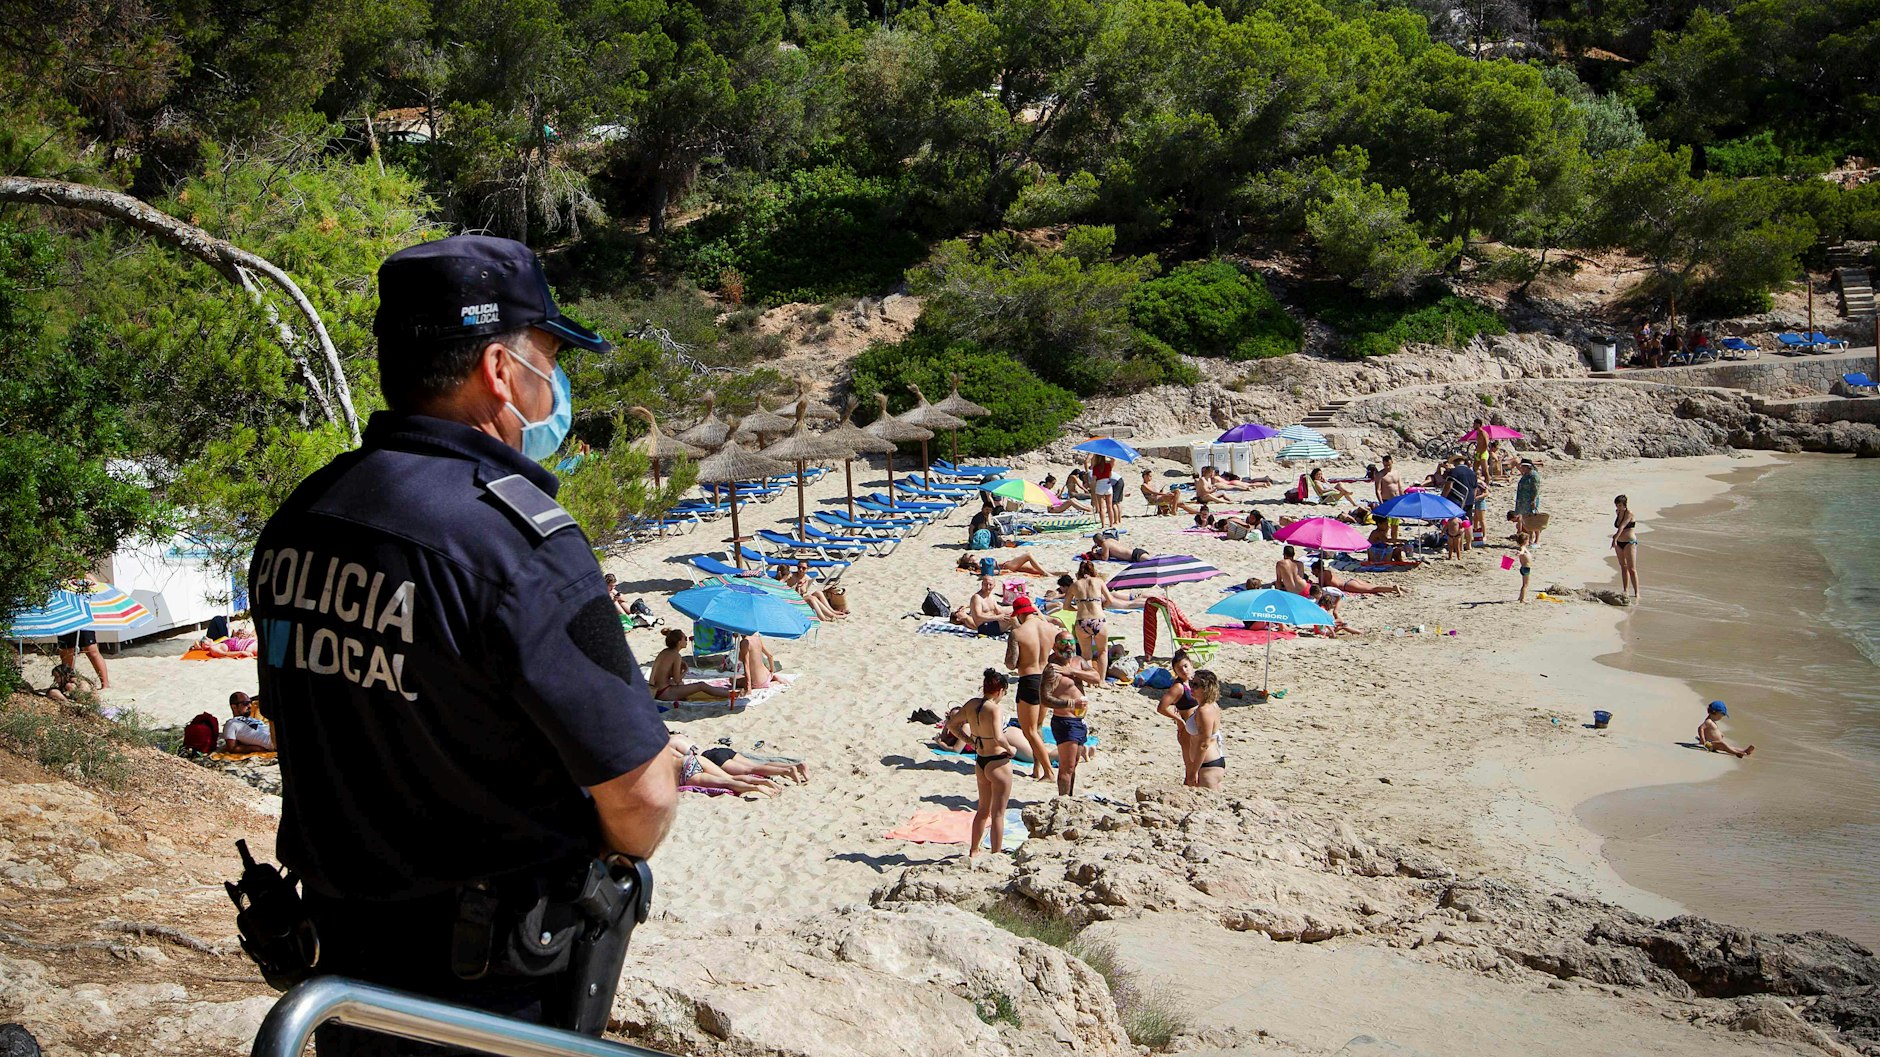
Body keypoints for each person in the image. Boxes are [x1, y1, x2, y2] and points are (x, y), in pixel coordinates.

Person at [246, 234, 676, 1052]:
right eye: (547, 357)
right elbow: (644, 794)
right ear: (497, 370)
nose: (554, 386)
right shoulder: (515, 542)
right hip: (488, 995)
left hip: (344, 973)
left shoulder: (304, 516)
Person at [944, 669, 1015, 857]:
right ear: (1000, 690)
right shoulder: (994, 708)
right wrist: (1010, 749)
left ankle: (974, 850)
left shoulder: (971, 704)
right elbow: (999, 737)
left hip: (981, 761)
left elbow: (951, 724)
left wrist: (969, 741)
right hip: (998, 761)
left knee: (982, 811)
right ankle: (996, 853)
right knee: (998, 813)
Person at [1003, 597, 1056, 782]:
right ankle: (1036, 768)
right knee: (1039, 726)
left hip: (1030, 679)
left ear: (1019, 614)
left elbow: (1011, 663)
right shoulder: (1050, 628)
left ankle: (1048, 772)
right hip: (1048, 679)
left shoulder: (1018, 632)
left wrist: (1013, 628)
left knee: (1030, 731)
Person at [1043, 632, 1096, 796]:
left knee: (1074, 764)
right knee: (1067, 766)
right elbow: (1045, 699)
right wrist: (1071, 703)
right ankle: (1063, 800)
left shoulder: (1078, 662)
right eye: (1063, 642)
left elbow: (1097, 677)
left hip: (1079, 722)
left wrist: (1072, 671)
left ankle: (1069, 799)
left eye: (1071, 641)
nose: (1068, 645)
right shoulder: (1052, 668)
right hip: (1064, 721)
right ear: (1055, 646)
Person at [666, 728, 806, 786]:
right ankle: (795, 767)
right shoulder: (679, 736)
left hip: (711, 759)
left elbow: (682, 761)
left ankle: (786, 771)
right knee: (753, 764)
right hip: (718, 750)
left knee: (751, 770)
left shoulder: (669, 744)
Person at [665, 731, 779, 797]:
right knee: (731, 777)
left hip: (685, 775)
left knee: (727, 782)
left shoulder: (654, 754)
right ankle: (762, 781)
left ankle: (756, 788)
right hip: (694, 759)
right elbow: (681, 757)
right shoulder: (666, 745)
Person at [650, 629, 733, 702]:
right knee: (701, 685)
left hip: (655, 690)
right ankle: (730, 695)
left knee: (682, 684)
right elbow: (677, 680)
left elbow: (659, 672)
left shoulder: (663, 652)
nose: (686, 641)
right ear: (679, 642)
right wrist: (685, 670)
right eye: (685, 639)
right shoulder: (676, 656)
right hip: (665, 693)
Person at [1155, 651, 1201, 781]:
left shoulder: (1195, 682)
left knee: (1199, 764)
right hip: (1187, 729)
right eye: (1179, 669)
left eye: (1186, 666)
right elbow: (1161, 707)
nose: (1184, 670)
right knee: (1190, 766)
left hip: (1198, 727)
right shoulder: (1178, 687)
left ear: (1191, 664)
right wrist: (1179, 720)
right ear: (1175, 672)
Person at [1186, 670, 1225, 790]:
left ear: (1206, 688)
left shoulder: (1204, 711)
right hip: (1210, 763)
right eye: (1191, 683)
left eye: (1196, 685)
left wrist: (1194, 771)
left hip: (1207, 766)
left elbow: (1204, 744)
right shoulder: (1209, 706)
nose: (1191, 687)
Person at [1612, 494, 1640, 598]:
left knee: (1632, 568)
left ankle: (1637, 593)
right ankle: (1625, 590)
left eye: (1619, 505)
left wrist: (1614, 538)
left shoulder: (1629, 513)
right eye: (1616, 505)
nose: (1617, 507)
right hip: (1619, 542)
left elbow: (1622, 526)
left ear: (1624, 504)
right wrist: (1616, 539)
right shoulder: (1618, 512)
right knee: (1623, 567)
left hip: (1629, 542)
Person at [1318, 563, 1405, 596]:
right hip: (1350, 581)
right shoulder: (1328, 571)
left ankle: (1394, 588)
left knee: (1373, 589)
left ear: (1316, 569)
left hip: (1347, 586)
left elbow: (1321, 588)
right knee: (1374, 586)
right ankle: (1401, 588)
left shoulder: (1321, 575)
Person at [1514, 459, 1543, 543]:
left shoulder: (1534, 475)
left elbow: (1536, 489)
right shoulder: (1526, 475)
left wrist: (1533, 501)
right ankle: (1529, 539)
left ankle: (1536, 540)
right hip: (1523, 501)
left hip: (1529, 501)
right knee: (1526, 521)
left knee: (1533, 521)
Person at [956, 552, 1050, 577]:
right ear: (969, 561)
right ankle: (1047, 574)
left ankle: (1061, 573)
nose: (974, 555)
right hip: (1008, 566)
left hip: (1008, 565)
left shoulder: (979, 564)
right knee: (1028, 555)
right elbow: (991, 571)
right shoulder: (979, 564)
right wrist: (1005, 571)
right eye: (971, 555)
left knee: (1037, 570)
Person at [1084, 533, 1150, 563]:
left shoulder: (1105, 544)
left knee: (1152, 561)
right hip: (1136, 551)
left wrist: (1093, 553)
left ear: (1097, 541)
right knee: (1153, 561)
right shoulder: (1110, 540)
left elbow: (1104, 558)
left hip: (1134, 556)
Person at [1515, 531, 1533, 603]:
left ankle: (1520, 597)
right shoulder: (1522, 548)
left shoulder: (1523, 547)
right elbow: (1522, 551)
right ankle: (1523, 599)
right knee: (1525, 584)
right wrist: (1520, 553)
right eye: (1528, 540)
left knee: (1524, 584)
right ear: (1525, 541)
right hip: (1526, 568)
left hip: (1525, 568)